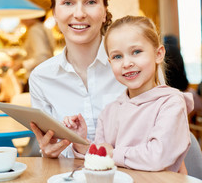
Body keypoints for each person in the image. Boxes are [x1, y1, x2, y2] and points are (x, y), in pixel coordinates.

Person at [63, 15, 193, 172]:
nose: (126, 63)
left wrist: (112, 153)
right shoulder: (109, 111)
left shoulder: (171, 103)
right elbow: (101, 159)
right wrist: (80, 142)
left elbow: (157, 157)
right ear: (110, 63)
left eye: (136, 52)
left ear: (158, 54)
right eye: (117, 56)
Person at [28, 0, 126, 158]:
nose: (79, 13)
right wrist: (48, 152)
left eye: (90, 2)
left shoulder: (132, 67)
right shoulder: (41, 78)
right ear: (55, 13)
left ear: (105, 11)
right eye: (68, 3)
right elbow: (49, 150)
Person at [11, 17, 55, 92]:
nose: (21, 20)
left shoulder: (34, 30)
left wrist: (22, 64)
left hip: (37, 78)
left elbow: (42, 57)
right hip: (46, 77)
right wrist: (20, 57)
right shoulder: (44, 28)